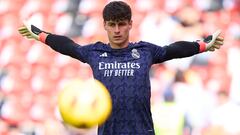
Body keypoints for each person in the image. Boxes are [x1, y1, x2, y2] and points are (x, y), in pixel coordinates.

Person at [18, 1, 224, 135]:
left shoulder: (145, 51)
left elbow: (174, 50)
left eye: (122, 24)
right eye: (112, 24)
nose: (117, 30)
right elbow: (68, 46)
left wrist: (203, 45)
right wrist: (41, 34)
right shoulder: (95, 53)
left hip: (143, 132)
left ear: (130, 24)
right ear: (105, 25)